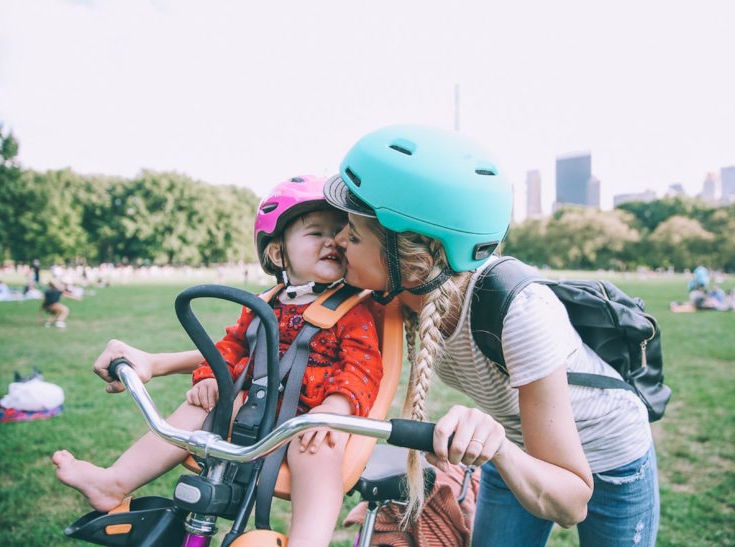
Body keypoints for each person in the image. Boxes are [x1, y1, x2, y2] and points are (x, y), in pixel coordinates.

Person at [322, 125, 659, 546]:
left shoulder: (521, 314)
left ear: (412, 257)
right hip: (507, 442)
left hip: (609, 458)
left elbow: (572, 502)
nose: (337, 242)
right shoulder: (396, 295)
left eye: (352, 235)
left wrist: (497, 444)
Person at [52, 176, 384, 547]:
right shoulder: (264, 303)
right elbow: (232, 347)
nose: (333, 241)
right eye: (316, 233)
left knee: (317, 449)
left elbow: (363, 366)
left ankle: (310, 540)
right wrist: (211, 376)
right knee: (198, 407)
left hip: (312, 413)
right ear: (278, 253)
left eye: (339, 233)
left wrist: (333, 409)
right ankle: (113, 482)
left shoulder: (353, 311)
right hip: (254, 405)